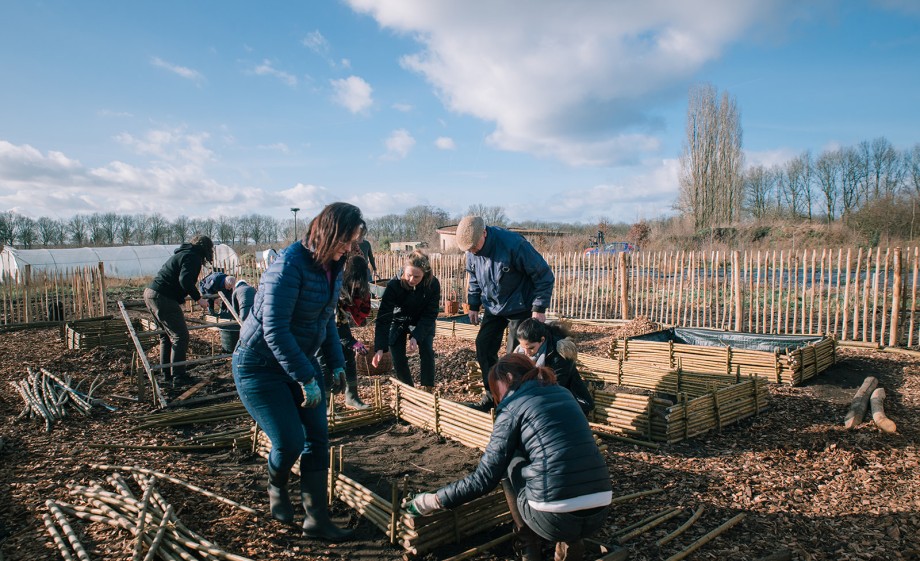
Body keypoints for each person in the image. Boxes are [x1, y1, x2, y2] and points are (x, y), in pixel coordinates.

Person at [232, 202, 365, 541]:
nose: (349, 249)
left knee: (318, 440)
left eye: (353, 242)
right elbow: (275, 330)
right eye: (345, 241)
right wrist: (306, 377)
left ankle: (316, 519)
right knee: (290, 441)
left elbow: (326, 320)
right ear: (329, 234)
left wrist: (335, 361)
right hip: (260, 367)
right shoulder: (288, 266)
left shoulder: (332, 269)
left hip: (300, 362)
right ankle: (276, 483)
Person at [405, 354, 612, 561]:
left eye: (497, 387)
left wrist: (431, 501)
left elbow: (484, 479)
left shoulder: (513, 408)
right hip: (600, 510)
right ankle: (572, 544)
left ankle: (529, 548)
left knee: (508, 460)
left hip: (553, 518)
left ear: (509, 377)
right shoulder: (564, 393)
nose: (498, 397)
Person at [455, 215, 555, 411]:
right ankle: (493, 394)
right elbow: (474, 278)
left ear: (484, 233)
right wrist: (473, 304)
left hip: (520, 306)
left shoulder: (513, 244)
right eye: (469, 250)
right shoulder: (471, 250)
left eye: (474, 247)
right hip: (494, 306)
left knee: (514, 358)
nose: (472, 251)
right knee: (483, 346)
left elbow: (544, 275)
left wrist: (539, 309)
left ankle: (516, 401)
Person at [143, 234, 213, 387]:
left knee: (166, 336)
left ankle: (166, 373)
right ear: (206, 249)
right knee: (180, 336)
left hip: (151, 293)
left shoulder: (184, 253)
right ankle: (179, 376)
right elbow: (185, 280)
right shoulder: (192, 257)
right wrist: (199, 299)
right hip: (162, 296)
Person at [371, 249, 440, 391]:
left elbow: (430, 313)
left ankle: (428, 387)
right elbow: (384, 317)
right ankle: (409, 388)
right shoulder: (394, 285)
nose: (411, 280)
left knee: (426, 349)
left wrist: (417, 336)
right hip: (399, 320)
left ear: (425, 274)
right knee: (396, 353)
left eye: (417, 277)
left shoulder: (433, 284)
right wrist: (379, 348)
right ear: (404, 270)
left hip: (422, 319)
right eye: (409, 275)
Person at [318, 253, 372, 410]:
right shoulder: (337, 291)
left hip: (334, 327)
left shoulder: (348, 291)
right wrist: (351, 341)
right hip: (318, 329)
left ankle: (351, 397)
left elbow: (342, 324)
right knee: (324, 364)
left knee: (348, 357)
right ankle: (326, 406)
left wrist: (350, 342)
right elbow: (334, 327)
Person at [514, 318, 594, 417]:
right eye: (523, 348)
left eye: (530, 348)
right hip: (538, 397)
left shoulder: (560, 354)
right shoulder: (520, 352)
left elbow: (555, 388)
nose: (526, 353)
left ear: (542, 340)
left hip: (568, 402)